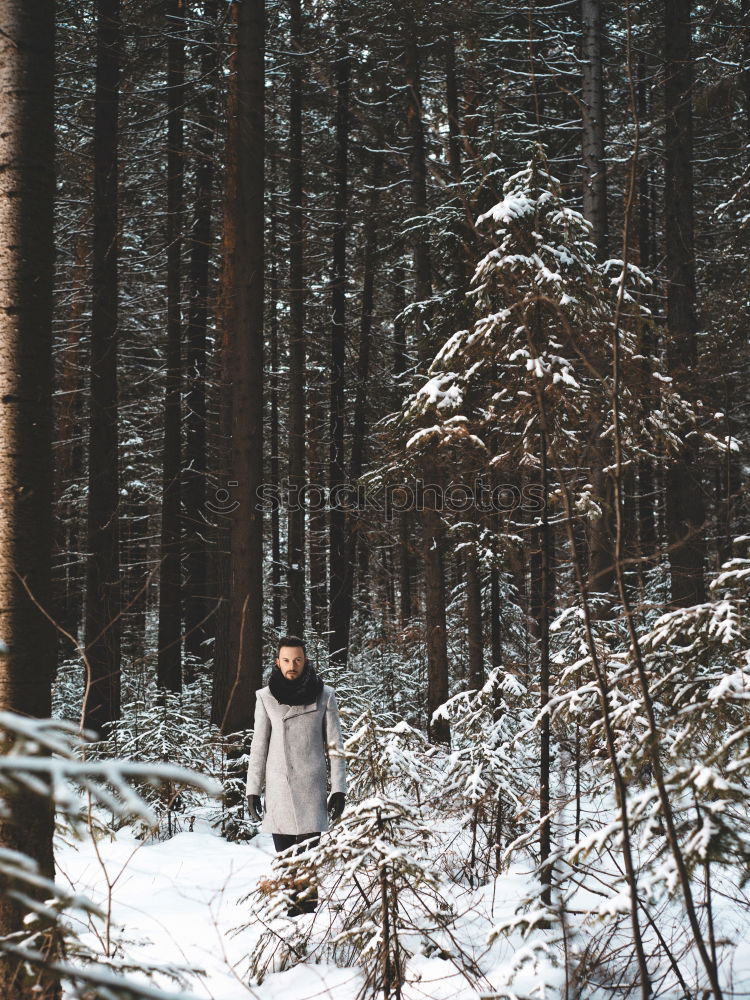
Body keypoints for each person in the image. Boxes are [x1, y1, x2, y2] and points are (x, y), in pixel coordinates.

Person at [245, 635, 346, 915]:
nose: (292, 665)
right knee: (286, 865)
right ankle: (290, 927)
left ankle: (308, 925)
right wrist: (252, 789)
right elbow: (259, 746)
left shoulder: (325, 695)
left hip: (311, 793)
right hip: (279, 793)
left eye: (298, 660)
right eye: (287, 660)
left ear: (306, 661)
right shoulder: (265, 698)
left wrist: (339, 789)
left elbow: (335, 747)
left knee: (308, 865)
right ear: (277, 662)